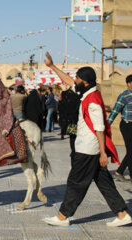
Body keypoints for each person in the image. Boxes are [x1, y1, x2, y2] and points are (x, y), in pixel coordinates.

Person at [42, 52, 131, 227]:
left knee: (76, 181)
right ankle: (122, 213)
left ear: (86, 81)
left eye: (78, 78)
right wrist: (52, 67)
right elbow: (68, 81)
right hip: (88, 147)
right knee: (103, 181)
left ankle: (63, 216)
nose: (74, 80)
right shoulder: (87, 92)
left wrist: (103, 153)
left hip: (88, 149)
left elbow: (100, 129)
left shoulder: (93, 101)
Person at [108, 74, 132, 182]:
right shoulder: (124, 96)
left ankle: (119, 172)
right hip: (127, 125)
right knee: (130, 150)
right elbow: (115, 111)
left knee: (131, 151)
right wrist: (106, 126)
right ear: (129, 84)